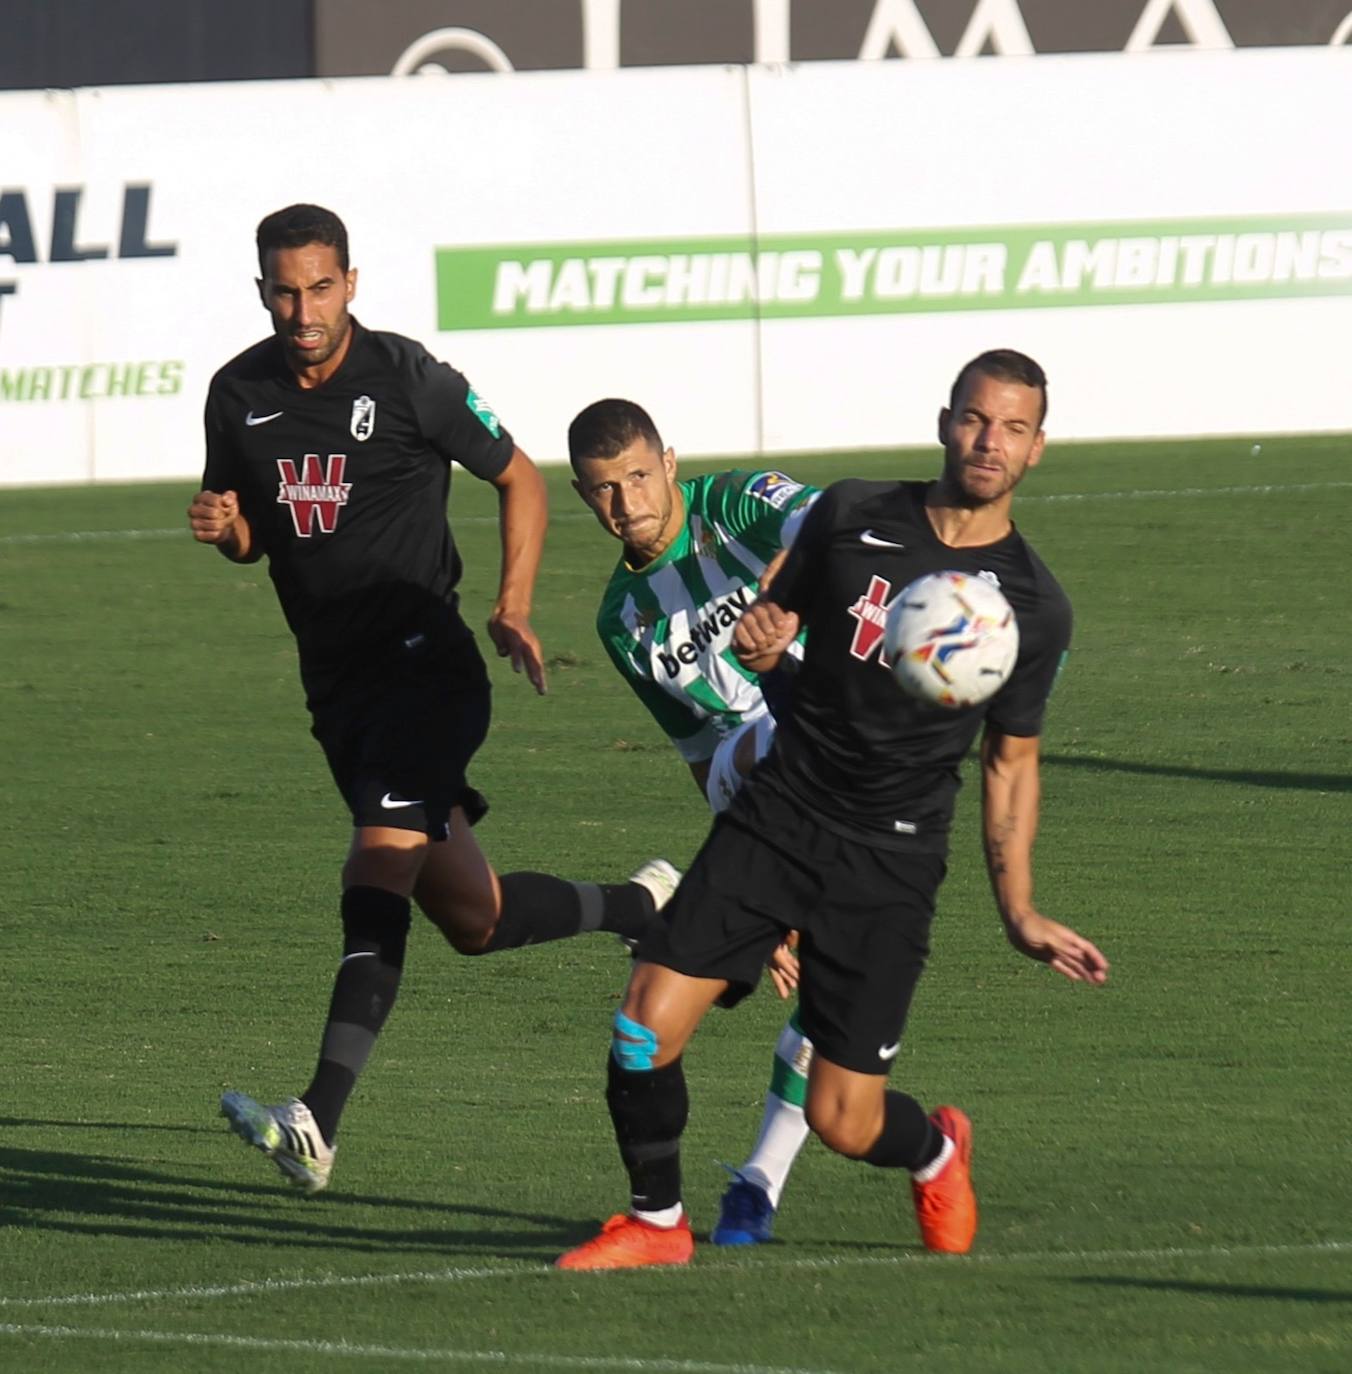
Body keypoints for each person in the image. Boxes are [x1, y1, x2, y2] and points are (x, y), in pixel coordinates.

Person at [556, 349, 1110, 1270]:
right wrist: (769, 632)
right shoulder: (854, 513)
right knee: (643, 1023)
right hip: (780, 808)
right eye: (976, 419)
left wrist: (1019, 910)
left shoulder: (1035, 609)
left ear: (1038, 448)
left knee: (845, 1118)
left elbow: (1011, 762)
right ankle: (656, 1221)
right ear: (945, 422)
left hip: (890, 856)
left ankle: (934, 1149)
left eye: (1013, 427)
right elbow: (771, 622)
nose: (989, 440)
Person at [188, 203, 675, 1194]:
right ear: (261, 291)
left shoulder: (408, 379)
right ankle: (643, 902)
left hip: (427, 666)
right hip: (337, 689)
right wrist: (226, 529)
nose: (303, 308)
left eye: (320, 286)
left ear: (351, 283)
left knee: (377, 860)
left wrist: (510, 604)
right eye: (284, 289)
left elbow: (520, 480)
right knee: (473, 917)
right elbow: (253, 535)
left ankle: (317, 1121)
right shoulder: (236, 395)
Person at [568, 398, 823, 1246]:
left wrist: (783, 598)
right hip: (750, 785)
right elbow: (693, 756)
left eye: (640, 477)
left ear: (670, 463)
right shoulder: (620, 621)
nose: (628, 504)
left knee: (833, 1022)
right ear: (583, 495)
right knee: (647, 1023)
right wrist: (747, 867)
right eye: (604, 490)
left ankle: (766, 1176)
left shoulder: (736, 506)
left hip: (835, 746)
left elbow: (832, 521)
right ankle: (668, 1215)